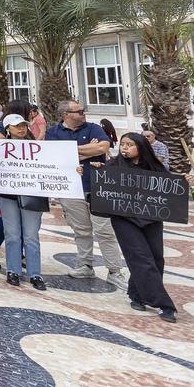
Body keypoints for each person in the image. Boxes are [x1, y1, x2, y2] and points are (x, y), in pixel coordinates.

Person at [102, 133, 193, 322]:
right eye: (122, 144)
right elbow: (99, 187)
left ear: (141, 148)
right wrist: (84, 173)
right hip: (124, 219)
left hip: (151, 218)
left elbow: (171, 187)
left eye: (130, 145)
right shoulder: (113, 166)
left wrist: (186, 182)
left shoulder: (154, 167)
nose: (124, 148)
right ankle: (163, 304)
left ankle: (136, 295)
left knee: (155, 258)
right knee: (140, 258)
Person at [48, 100, 127, 290]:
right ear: (66, 114)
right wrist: (86, 151)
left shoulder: (93, 128)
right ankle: (85, 265)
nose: (83, 114)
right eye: (79, 111)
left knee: (105, 231)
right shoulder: (53, 132)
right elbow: (53, 155)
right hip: (71, 188)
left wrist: (70, 151)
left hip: (98, 187)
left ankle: (115, 271)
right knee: (81, 230)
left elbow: (102, 148)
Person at [0, 114, 47, 291]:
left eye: (24, 125)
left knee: (31, 235)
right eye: (17, 126)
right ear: (8, 128)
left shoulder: (37, 148)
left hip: (32, 194)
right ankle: (13, 270)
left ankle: (35, 273)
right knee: (12, 233)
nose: (21, 129)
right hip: (7, 194)